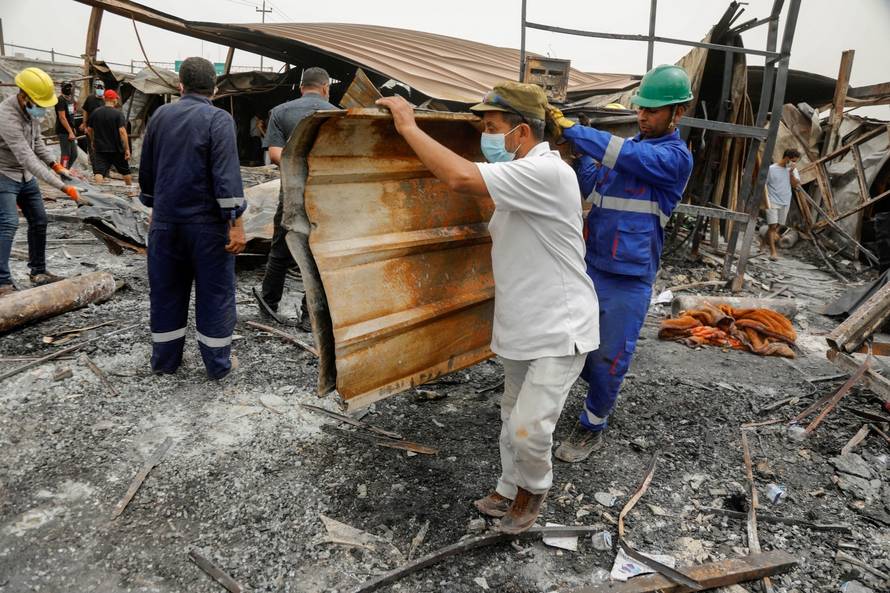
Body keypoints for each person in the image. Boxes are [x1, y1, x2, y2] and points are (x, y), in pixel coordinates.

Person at [377, 82, 599, 534]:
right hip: (523, 321)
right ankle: (507, 485)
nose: (485, 134)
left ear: (520, 131)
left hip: (562, 326)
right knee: (509, 415)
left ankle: (533, 492)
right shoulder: (521, 177)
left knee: (530, 428)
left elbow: (461, 178)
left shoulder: (548, 172)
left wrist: (407, 125)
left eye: (491, 126)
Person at [550, 64, 694, 463]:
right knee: (571, 344)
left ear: (677, 113)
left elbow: (625, 154)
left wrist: (575, 130)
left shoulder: (673, 158)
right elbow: (592, 184)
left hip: (629, 279)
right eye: (641, 109)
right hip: (590, 265)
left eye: (652, 110)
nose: (642, 116)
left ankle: (593, 423)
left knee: (611, 356)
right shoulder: (626, 152)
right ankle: (580, 395)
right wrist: (579, 157)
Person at [138, 57, 246, 379]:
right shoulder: (218, 119)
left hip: (166, 224)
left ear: (180, 86)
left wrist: (155, 207)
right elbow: (227, 178)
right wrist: (236, 224)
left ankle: (165, 363)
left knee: (166, 293)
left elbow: (147, 172)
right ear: (214, 87)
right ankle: (217, 366)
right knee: (214, 294)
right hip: (207, 228)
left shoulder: (160, 116)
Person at [253, 67, 335, 329]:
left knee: (279, 248)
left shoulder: (280, 112)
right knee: (318, 253)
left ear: (301, 87)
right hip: (324, 194)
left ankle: (268, 306)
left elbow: (276, 155)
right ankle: (310, 316)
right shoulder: (337, 114)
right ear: (325, 87)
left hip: (290, 191)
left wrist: (297, 163)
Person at [0, 67, 80, 296]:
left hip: (24, 177)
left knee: (39, 220)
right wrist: (63, 187)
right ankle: (2, 282)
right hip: (4, 173)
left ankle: (38, 271)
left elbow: (37, 144)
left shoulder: (30, 111)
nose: (41, 108)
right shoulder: (6, 116)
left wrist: (56, 165)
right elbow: (27, 158)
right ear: (23, 95)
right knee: (8, 223)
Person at [87, 89, 132, 185]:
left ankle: (99, 194)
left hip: (100, 148)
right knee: (125, 171)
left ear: (105, 99)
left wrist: (92, 141)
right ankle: (130, 191)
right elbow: (122, 132)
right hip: (116, 148)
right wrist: (127, 149)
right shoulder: (118, 114)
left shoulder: (95, 112)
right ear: (114, 100)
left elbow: (89, 130)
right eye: (116, 98)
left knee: (99, 172)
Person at [763, 148, 801, 259]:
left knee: (777, 226)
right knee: (773, 226)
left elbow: (795, 185)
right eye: (793, 160)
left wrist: (791, 173)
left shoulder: (793, 170)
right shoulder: (771, 169)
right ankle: (773, 253)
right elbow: (764, 184)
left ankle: (762, 243)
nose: (794, 163)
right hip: (772, 200)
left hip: (785, 201)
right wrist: (765, 201)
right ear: (786, 158)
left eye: (795, 161)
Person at [55, 81, 78, 170]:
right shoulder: (60, 100)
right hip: (64, 131)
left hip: (71, 130)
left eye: (70, 87)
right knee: (66, 154)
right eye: (66, 87)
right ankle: (63, 173)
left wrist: (73, 129)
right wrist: (70, 132)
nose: (68, 89)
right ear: (62, 88)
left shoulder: (70, 99)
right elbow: (62, 117)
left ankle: (65, 170)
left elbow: (71, 115)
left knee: (74, 154)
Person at [80, 79, 105, 162]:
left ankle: (101, 163)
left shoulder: (105, 101)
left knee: (101, 147)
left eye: (101, 88)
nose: (99, 89)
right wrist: (84, 124)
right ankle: (94, 164)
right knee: (91, 146)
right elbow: (85, 110)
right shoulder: (90, 98)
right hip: (90, 127)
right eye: (98, 87)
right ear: (95, 88)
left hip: (102, 129)